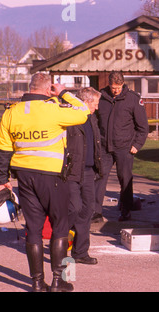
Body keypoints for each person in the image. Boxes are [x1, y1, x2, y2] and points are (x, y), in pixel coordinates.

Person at [0, 73, 90, 292]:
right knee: (60, 226)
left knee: (34, 229)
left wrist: (2, 180)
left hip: (24, 176)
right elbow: (84, 111)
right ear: (49, 90)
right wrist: (64, 93)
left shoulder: (11, 113)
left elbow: (2, 149)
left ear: (29, 88)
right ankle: (58, 281)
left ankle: (37, 283)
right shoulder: (54, 109)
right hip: (52, 175)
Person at [94, 71, 149, 222]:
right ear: (109, 85)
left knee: (125, 179)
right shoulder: (101, 97)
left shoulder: (132, 99)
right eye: (113, 88)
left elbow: (143, 126)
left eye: (118, 87)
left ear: (123, 84)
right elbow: (94, 121)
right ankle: (95, 212)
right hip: (104, 147)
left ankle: (125, 210)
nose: (116, 90)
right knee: (99, 178)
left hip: (125, 147)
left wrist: (137, 145)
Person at [67, 87, 103, 265]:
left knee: (88, 209)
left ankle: (80, 252)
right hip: (72, 171)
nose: (96, 107)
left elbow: (96, 142)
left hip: (89, 171)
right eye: (95, 104)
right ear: (86, 102)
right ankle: (61, 246)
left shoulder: (92, 118)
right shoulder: (70, 117)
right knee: (73, 208)